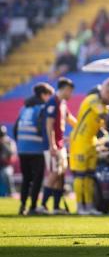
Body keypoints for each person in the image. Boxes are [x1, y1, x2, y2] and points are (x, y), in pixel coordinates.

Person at [69, 78, 109, 215]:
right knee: (80, 176)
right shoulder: (93, 99)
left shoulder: (103, 105)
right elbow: (104, 114)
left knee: (90, 177)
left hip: (91, 142)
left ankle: (90, 207)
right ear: (106, 91)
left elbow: (103, 127)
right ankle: (80, 207)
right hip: (80, 141)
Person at [15, 83, 54, 215]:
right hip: (36, 149)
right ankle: (33, 207)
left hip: (22, 149)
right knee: (37, 178)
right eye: (49, 95)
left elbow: (15, 129)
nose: (50, 98)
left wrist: (20, 143)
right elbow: (41, 128)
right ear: (43, 95)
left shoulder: (24, 108)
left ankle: (22, 206)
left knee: (26, 178)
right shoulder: (42, 107)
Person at [42, 77, 76, 214]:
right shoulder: (53, 102)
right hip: (53, 145)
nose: (71, 95)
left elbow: (71, 120)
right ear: (65, 89)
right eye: (70, 91)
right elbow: (49, 125)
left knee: (60, 173)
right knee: (56, 172)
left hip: (60, 143)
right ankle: (43, 205)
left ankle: (56, 207)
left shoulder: (62, 103)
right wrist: (52, 145)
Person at [0, 125, 17, 197]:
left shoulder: (9, 142)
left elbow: (13, 155)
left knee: (6, 173)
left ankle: (11, 193)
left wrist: (3, 144)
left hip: (5, 166)